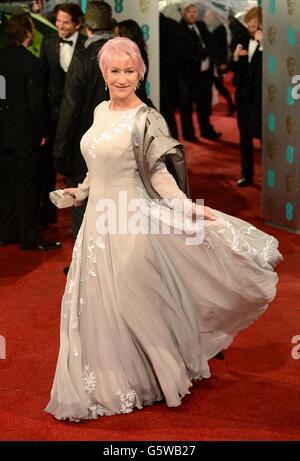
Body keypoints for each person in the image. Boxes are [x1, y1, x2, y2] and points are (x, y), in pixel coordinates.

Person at [45, 37, 281, 421]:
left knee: (130, 300)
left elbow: (157, 172)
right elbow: (96, 167)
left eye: (129, 70)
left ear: (141, 72)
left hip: (131, 218)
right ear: (103, 74)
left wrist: (188, 208)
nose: (122, 78)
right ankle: (112, 378)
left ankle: (152, 374)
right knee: (96, 305)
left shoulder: (146, 117)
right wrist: (78, 192)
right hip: (97, 223)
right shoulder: (100, 110)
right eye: (114, 71)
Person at [53, 0, 113, 241]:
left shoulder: (82, 58)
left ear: (86, 28)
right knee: (114, 201)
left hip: (85, 142)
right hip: (119, 138)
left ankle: (85, 263)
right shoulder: (126, 54)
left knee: (81, 199)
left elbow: (70, 107)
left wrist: (60, 151)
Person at [0, 13, 61, 251]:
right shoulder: (30, 63)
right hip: (25, 134)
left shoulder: (1, 60)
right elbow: (36, 104)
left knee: (5, 185)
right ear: (28, 33)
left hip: (3, 133)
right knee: (27, 186)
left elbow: (1, 96)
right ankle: (29, 237)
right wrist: (44, 130)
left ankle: (6, 232)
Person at [39, 2, 85, 227]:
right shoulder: (48, 44)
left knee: (79, 166)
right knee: (50, 166)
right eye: (58, 20)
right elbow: (42, 80)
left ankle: (82, 210)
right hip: (55, 116)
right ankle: (49, 213)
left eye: (65, 22)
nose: (59, 25)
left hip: (82, 119)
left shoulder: (87, 46)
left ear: (77, 23)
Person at [179, 2, 221, 142]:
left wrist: (207, 51)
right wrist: (201, 53)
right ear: (183, 13)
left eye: (194, 11)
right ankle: (188, 133)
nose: (192, 14)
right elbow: (185, 52)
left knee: (204, 104)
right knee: (188, 106)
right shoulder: (180, 29)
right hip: (190, 75)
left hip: (205, 74)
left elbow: (212, 42)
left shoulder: (201, 25)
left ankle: (206, 130)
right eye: (189, 11)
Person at [231, 7, 263, 187]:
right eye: (249, 24)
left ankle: (269, 175)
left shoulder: (270, 41)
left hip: (262, 98)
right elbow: (230, 67)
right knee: (244, 137)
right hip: (243, 97)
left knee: (265, 139)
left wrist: (264, 46)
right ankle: (247, 173)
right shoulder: (242, 39)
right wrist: (234, 57)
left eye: (255, 24)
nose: (252, 28)